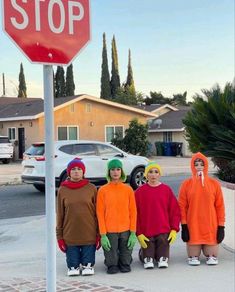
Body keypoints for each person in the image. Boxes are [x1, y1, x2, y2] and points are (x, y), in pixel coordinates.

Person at [178, 152, 225, 266]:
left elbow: (220, 206)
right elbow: (182, 206)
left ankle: (210, 254)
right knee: (193, 256)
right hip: (193, 226)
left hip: (210, 226)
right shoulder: (186, 184)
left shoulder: (214, 184)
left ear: (206, 166)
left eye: (201, 164)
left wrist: (221, 226)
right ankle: (194, 254)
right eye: (196, 164)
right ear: (192, 166)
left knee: (212, 255)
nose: (199, 167)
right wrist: (184, 226)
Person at [56, 158, 100, 276]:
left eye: (79, 169)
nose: (76, 171)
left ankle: (87, 264)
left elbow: (97, 213)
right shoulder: (62, 190)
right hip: (70, 235)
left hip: (89, 234)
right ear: (69, 172)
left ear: (83, 172)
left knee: (88, 266)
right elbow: (60, 214)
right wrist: (59, 237)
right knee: (73, 265)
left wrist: (98, 234)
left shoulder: (91, 188)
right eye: (73, 169)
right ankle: (73, 265)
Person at [135, 162, 181, 269]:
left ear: (159, 174)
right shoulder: (139, 192)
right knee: (148, 245)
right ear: (146, 175)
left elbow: (175, 210)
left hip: (163, 228)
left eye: (156, 172)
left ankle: (162, 257)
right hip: (146, 229)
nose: (153, 175)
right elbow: (135, 213)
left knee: (163, 242)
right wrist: (138, 232)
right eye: (150, 172)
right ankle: (146, 256)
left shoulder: (166, 190)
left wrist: (174, 229)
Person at [96, 159, 137, 274]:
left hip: (126, 229)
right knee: (112, 263)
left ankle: (124, 261)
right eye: (113, 169)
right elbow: (100, 213)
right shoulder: (103, 190)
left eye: (118, 169)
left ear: (122, 171)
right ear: (109, 172)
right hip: (110, 230)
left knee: (125, 263)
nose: (115, 172)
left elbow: (133, 211)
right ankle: (112, 262)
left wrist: (133, 233)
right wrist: (103, 234)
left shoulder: (128, 190)